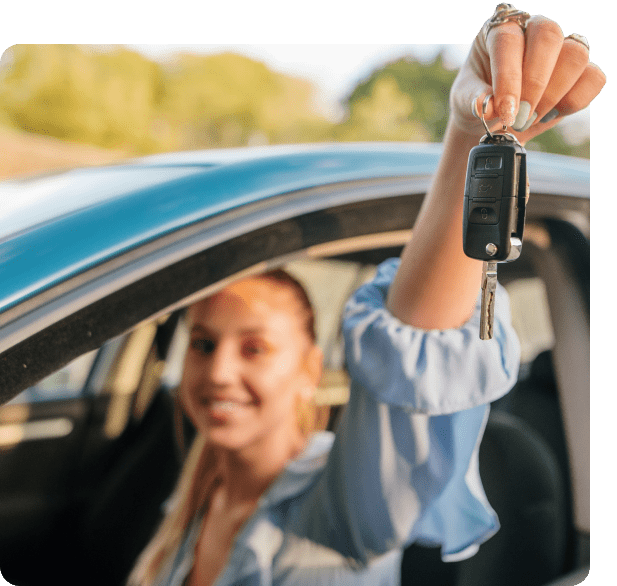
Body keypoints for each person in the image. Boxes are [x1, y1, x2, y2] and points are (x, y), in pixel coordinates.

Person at [128, 5, 606, 586]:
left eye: (254, 348)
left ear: (310, 368)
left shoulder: (345, 512)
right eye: (203, 344)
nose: (219, 372)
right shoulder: (190, 495)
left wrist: (465, 132)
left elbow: (416, 355)